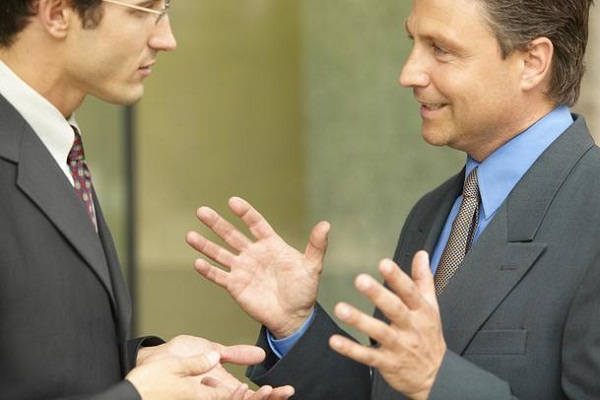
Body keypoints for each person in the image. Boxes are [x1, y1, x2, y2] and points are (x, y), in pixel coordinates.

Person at [186, 0, 600, 398]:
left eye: (441, 49)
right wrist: (297, 326)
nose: (408, 73)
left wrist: (439, 381)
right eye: (413, 42)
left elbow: (428, 380)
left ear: (532, 62)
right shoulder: (434, 212)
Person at [0, 0, 295, 399]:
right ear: (56, 13)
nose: (166, 38)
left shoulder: (55, 146)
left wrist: (144, 363)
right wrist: (139, 395)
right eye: (142, 10)